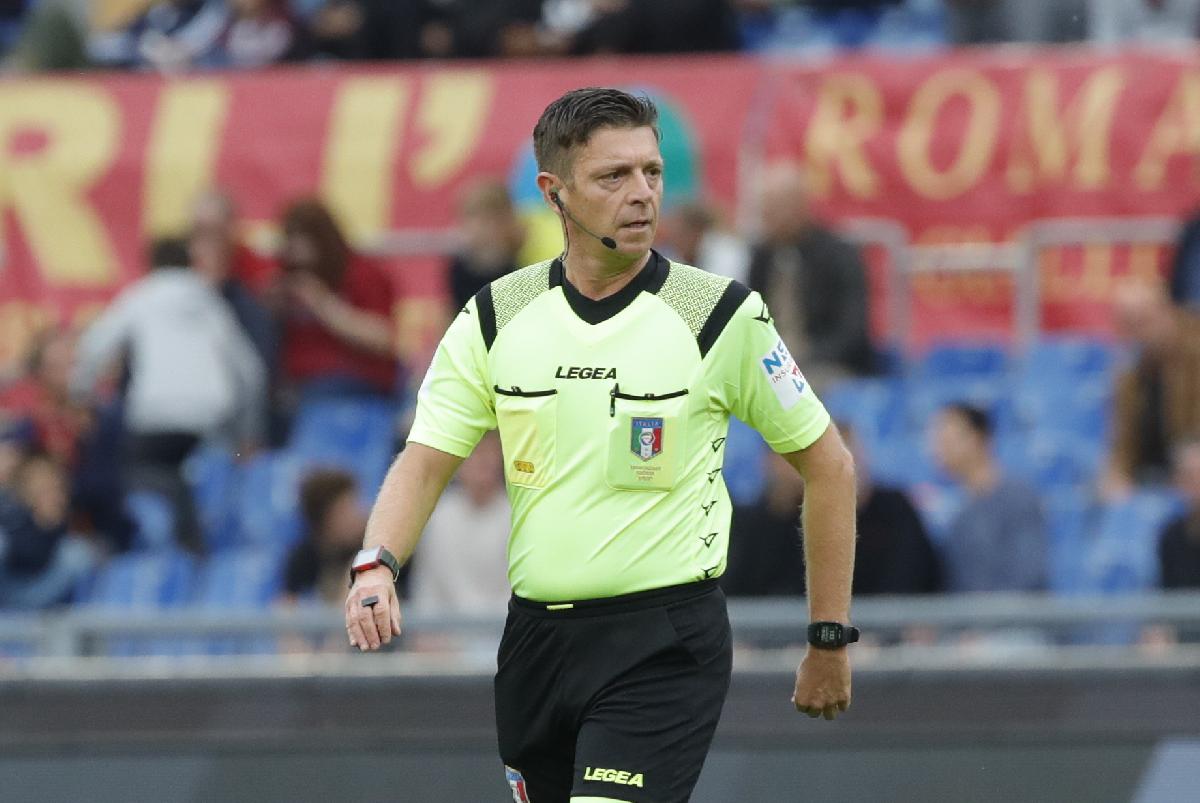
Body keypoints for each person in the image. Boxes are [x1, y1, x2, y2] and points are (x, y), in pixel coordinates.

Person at [344, 87, 857, 803]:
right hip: (535, 645)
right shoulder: (495, 316)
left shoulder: (718, 315)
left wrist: (828, 636)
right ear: (554, 192)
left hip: (662, 642)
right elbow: (426, 460)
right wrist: (376, 564)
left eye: (652, 172)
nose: (642, 193)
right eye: (614, 176)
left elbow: (829, 465)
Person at [71, 238, 266, 551]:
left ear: (151, 264)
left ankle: (177, 530)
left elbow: (94, 346)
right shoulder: (210, 301)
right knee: (208, 477)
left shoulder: (143, 295)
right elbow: (251, 372)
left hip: (155, 417)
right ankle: (199, 532)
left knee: (126, 473)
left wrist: (80, 392)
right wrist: (249, 432)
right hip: (212, 419)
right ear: (189, 263)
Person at [747, 161, 874, 390]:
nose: (765, 219)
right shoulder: (761, 257)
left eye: (772, 210)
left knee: (795, 389)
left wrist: (803, 358)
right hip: (769, 363)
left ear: (798, 207)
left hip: (826, 366)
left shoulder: (838, 255)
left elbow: (852, 332)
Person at [274, 198, 397, 409]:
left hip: (352, 385)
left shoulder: (362, 274)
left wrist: (322, 304)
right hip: (294, 386)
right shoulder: (283, 279)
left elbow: (383, 338)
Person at [932, 403, 1046, 593]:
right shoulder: (958, 510)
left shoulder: (1018, 499)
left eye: (947, 440)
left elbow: (1028, 575)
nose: (938, 450)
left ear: (976, 439)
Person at [1106, 279, 1200, 494]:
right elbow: (1122, 444)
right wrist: (1117, 477)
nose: (1138, 334)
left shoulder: (1194, 355)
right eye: (1128, 325)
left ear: (1166, 312)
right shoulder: (1129, 373)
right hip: (1145, 480)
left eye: (1143, 321)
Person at [408, 432, 511, 616]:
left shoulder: (515, 515)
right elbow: (431, 585)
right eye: (476, 453)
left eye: (490, 452)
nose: (483, 462)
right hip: (445, 627)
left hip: (503, 625)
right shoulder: (437, 516)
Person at [0, 449, 98, 609]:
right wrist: (38, 522)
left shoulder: (62, 507)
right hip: (6, 586)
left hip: (42, 593)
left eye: (49, 476)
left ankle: (31, 612)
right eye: (37, 477)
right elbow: (21, 556)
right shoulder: (9, 505)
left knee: (78, 552)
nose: (44, 483)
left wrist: (51, 526)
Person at [282, 467, 368, 606]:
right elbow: (286, 608)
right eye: (345, 510)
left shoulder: (372, 553)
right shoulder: (303, 558)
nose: (358, 515)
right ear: (324, 518)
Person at [446, 179, 525, 311]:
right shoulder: (458, 270)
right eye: (474, 218)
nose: (483, 229)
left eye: (490, 219)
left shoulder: (525, 266)